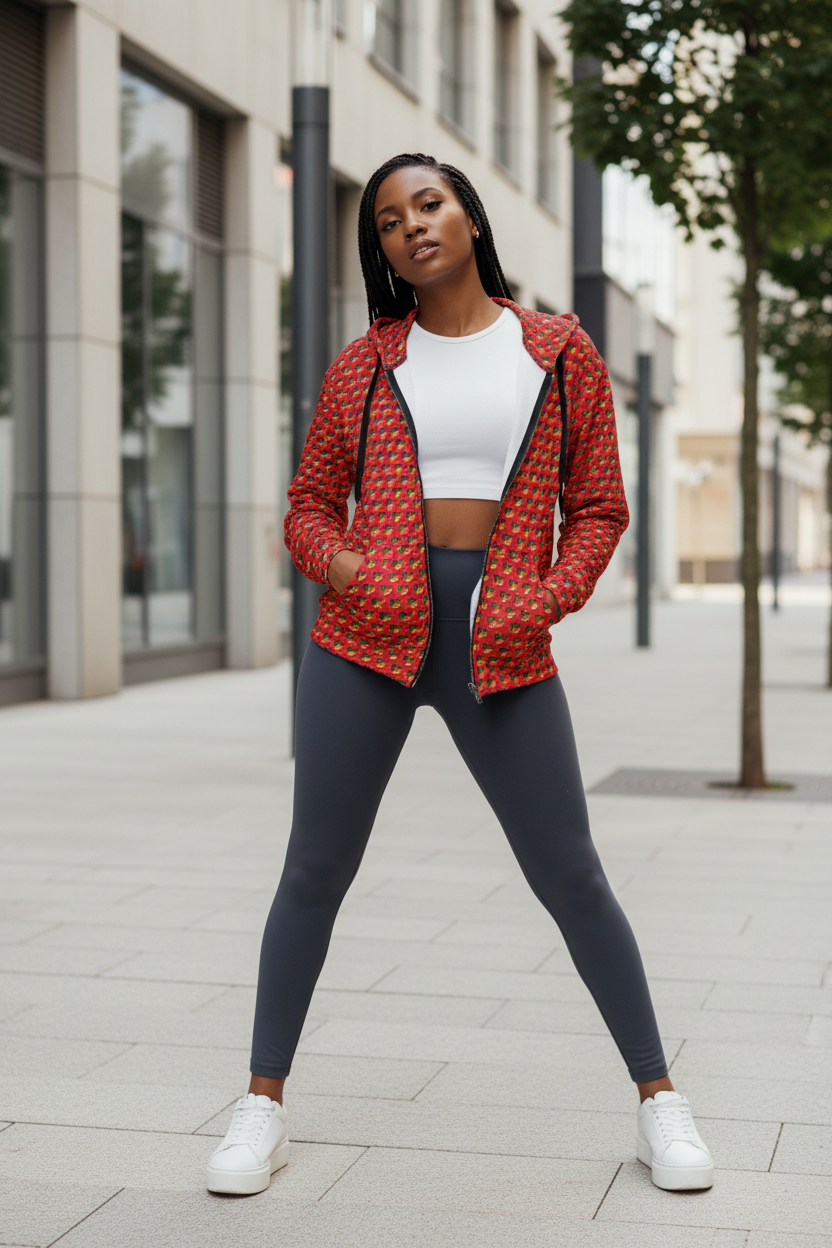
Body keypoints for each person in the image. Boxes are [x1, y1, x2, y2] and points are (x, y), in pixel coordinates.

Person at [205, 153, 714, 1197]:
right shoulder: (363, 365)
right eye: (388, 220)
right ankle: (260, 1109)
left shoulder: (558, 352)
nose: (410, 228)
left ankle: (661, 1103)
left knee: (569, 874)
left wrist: (545, 595)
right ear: (381, 249)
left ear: (472, 218)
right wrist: (339, 562)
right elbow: (306, 503)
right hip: (365, 638)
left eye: (428, 204)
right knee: (313, 869)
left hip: (503, 639)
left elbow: (602, 506)